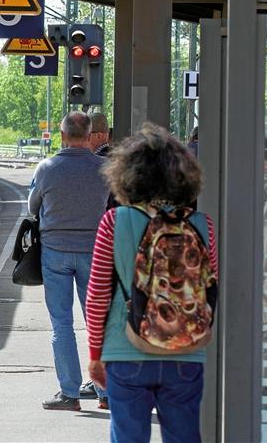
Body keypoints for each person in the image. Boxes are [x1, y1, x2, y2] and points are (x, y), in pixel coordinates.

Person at [86, 122, 217, 442]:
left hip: (125, 348)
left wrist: (95, 353)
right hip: (185, 352)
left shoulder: (113, 222)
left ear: (127, 175)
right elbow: (210, 288)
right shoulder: (202, 224)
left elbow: (98, 294)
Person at [28, 111, 112, 411]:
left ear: (62, 136)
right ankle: (105, 394)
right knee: (96, 324)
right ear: (90, 137)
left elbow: (32, 206)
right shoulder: (105, 168)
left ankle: (70, 394)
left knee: (61, 324)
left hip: (55, 252)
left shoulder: (47, 167)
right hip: (95, 252)